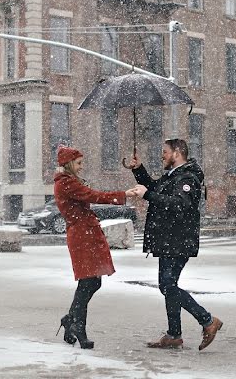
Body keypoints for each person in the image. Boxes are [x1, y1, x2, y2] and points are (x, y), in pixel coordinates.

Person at [125, 139, 223, 351]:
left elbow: (180, 204)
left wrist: (148, 195)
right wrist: (138, 169)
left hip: (178, 240)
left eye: (165, 152)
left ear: (177, 153)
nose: (162, 155)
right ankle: (174, 334)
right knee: (168, 286)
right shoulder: (174, 176)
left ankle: (207, 321)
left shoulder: (188, 178)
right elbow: (155, 188)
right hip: (170, 239)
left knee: (168, 286)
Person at [53, 145, 138, 350]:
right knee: (87, 283)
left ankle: (70, 319)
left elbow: (90, 196)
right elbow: (93, 196)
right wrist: (122, 195)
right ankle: (78, 328)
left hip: (88, 233)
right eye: (79, 163)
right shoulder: (65, 183)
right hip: (82, 235)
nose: (82, 167)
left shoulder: (70, 181)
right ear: (69, 164)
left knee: (93, 282)